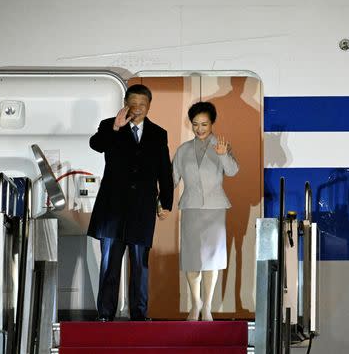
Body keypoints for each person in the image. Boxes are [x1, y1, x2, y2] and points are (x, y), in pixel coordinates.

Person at [87, 84, 174, 321]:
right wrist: (116, 127)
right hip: (112, 209)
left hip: (142, 209)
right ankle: (105, 314)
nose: (137, 109)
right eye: (132, 104)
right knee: (110, 265)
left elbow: (165, 170)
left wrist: (166, 202)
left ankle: (139, 314)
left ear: (149, 106)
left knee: (139, 265)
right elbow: (96, 145)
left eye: (142, 105)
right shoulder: (110, 125)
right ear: (125, 103)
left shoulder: (158, 133)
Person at [172, 101, 239, 321]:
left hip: (215, 208)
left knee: (212, 258)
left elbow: (232, 171)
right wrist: (158, 201)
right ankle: (195, 302)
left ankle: (208, 305)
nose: (199, 129)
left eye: (204, 124)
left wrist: (222, 154)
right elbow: (171, 179)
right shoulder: (183, 150)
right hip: (191, 206)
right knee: (192, 257)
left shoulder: (222, 145)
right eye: (195, 124)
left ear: (212, 123)